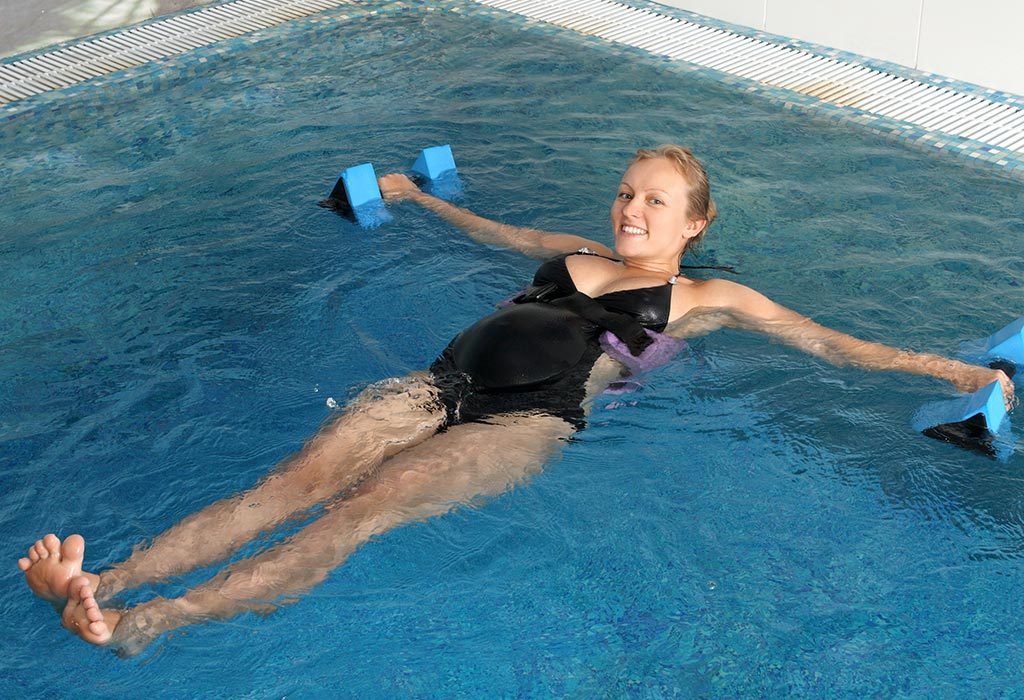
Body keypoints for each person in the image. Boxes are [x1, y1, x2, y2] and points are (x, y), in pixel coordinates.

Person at [19, 145, 1013, 656]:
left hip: (526, 421)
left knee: (353, 515)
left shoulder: (710, 298)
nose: (629, 208)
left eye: (654, 201)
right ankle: (101, 580)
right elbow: (480, 225)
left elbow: (831, 344)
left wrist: (959, 374)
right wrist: (415, 196)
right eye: (625, 191)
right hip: (433, 384)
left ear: (694, 222)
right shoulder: (567, 253)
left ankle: (156, 623)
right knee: (292, 482)